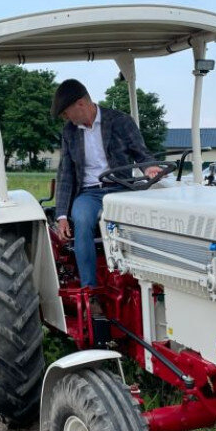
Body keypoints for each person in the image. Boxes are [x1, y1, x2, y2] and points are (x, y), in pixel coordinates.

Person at [53, 78, 161, 294]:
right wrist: (62, 215)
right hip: (89, 193)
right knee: (82, 221)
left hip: (121, 188)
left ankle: (150, 282)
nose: (66, 118)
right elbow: (65, 173)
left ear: (81, 104)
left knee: (148, 220)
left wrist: (150, 168)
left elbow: (141, 152)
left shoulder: (120, 121)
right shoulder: (70, 132)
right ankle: (90, 291)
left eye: (66, 112)